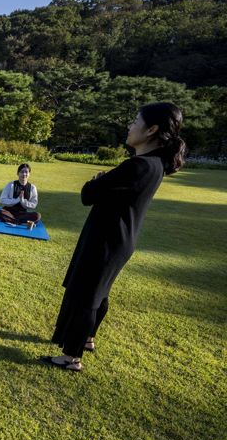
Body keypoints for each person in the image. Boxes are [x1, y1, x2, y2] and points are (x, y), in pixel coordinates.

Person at [43, 102, 187, 372]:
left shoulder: (138, 166)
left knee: (87, 295)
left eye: (135, 121)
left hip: (107, 239)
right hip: (119, 237)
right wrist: (104, 183)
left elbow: (88, 194)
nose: (130, 126)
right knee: (100, 291)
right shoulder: (155, 165)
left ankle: (71, 357)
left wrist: (99, 181)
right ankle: (87, 338)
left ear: (151, 130)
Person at [0, 163, 41, 230]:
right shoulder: (11, 185)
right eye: (22, 172)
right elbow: (2, 199)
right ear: (18, 173)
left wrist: (23, 201)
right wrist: (17, 200)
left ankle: (13, 221)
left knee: (37, 216)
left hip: (22, 214)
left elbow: (34, 204)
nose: (24, 174)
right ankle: (20, 222)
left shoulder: (32, 188)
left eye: (26, 172)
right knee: (0, 212)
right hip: (8, 212)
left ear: (29, 174)